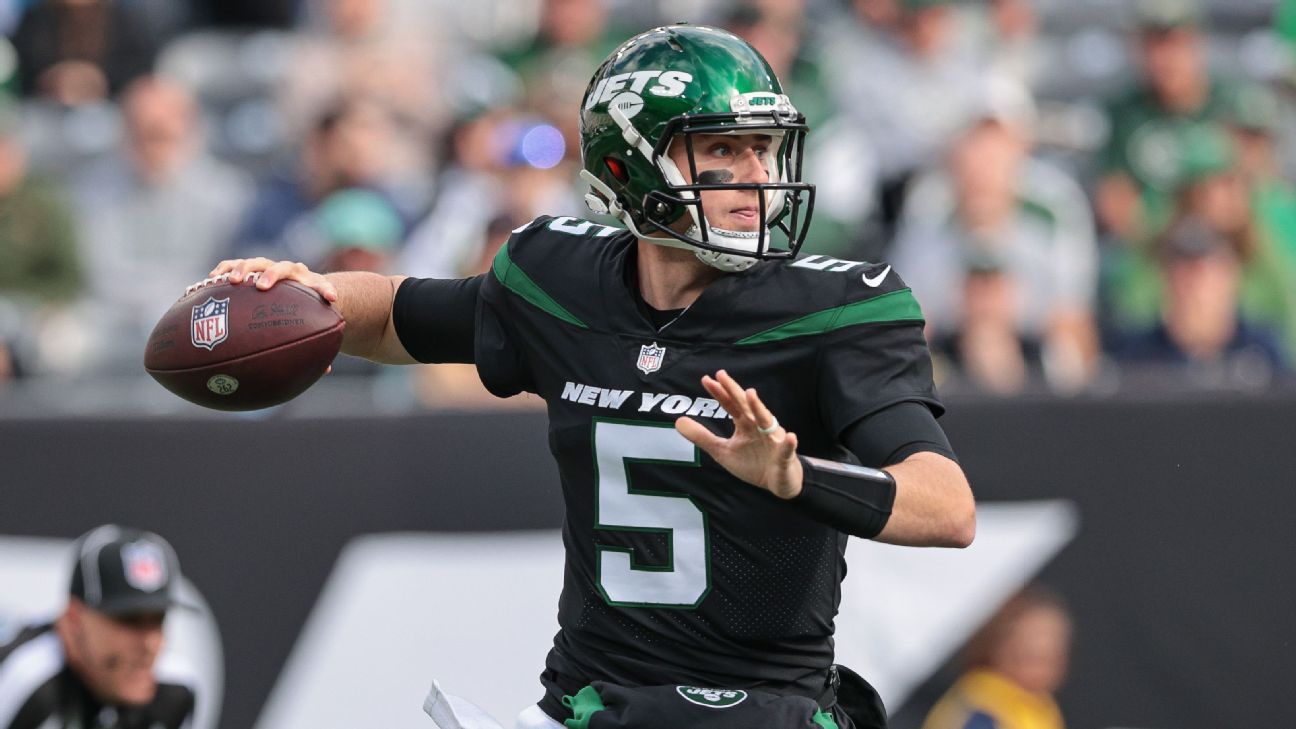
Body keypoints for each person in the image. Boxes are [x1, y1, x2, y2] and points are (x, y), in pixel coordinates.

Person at [211, 25, 975, 729]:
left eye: (765, 149)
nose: (756, 178)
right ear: (627, 165)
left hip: (764, 706)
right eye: (723, 151)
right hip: (591, 703)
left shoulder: (836, 309)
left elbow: (948, 507)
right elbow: (396, 317)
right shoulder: (557, 280)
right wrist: (308, 293)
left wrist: (796, 476)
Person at [0, 525, 198, 729]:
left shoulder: (175, 688)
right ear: (73, 621)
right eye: (129, 620)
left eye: (158, 620)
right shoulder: (26, 679)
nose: (149, 644)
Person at [919, 586, 1071, 729]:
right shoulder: (980, 705)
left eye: (1049, 656)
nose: (1040, 644)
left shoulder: (1040, 706)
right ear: (996, 644)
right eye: (1028, 654)